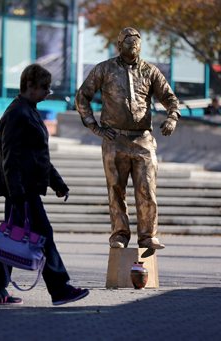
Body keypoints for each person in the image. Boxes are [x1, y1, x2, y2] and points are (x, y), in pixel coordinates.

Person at [0, 64, 89, 306]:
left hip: (23, 188)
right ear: (30, 86)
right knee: (43, 236)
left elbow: (38, 156)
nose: (47, 93)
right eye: (45, 88)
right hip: (21, 190)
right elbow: (9, 157)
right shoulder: (18, 113)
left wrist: (57, 183)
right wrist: (18, 194)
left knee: (13, 238)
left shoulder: (28, 110)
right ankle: (60, 289)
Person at [75, 27, 181, 251]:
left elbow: (170, 98)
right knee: (116, 190)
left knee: (148, 190)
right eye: (128, 44)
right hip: (114, 139)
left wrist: (172, 117)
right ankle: (120, 234)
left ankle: (147, 236)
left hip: (143, 139)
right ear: (119, 45)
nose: (133, 48)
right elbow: (82, 96)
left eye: (136, 44)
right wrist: (94, 127)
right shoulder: (104, 69)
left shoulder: (150, 71)